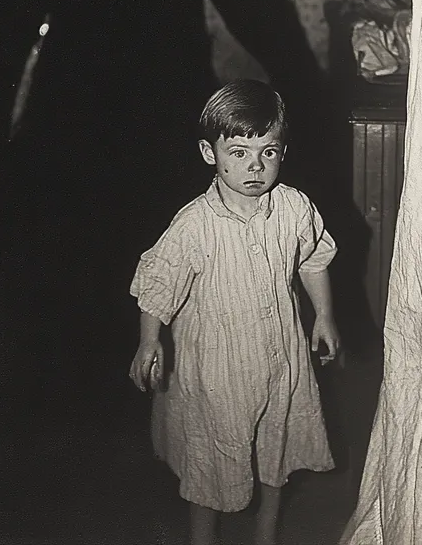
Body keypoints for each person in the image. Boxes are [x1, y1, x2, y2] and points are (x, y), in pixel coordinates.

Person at [129, 79, 341, 545]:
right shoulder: (193, 225)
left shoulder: (292, 207)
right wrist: (149, 341)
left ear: (284, 152)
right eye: (240, 152)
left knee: (275, 447)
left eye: (268, 152)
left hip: (281, 359)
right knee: (211, 459)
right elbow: (158, 284)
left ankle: (266, 531)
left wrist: (323, 315)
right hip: (216, 371)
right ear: (211, 154)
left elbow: (312, 260)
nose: (255, 166)